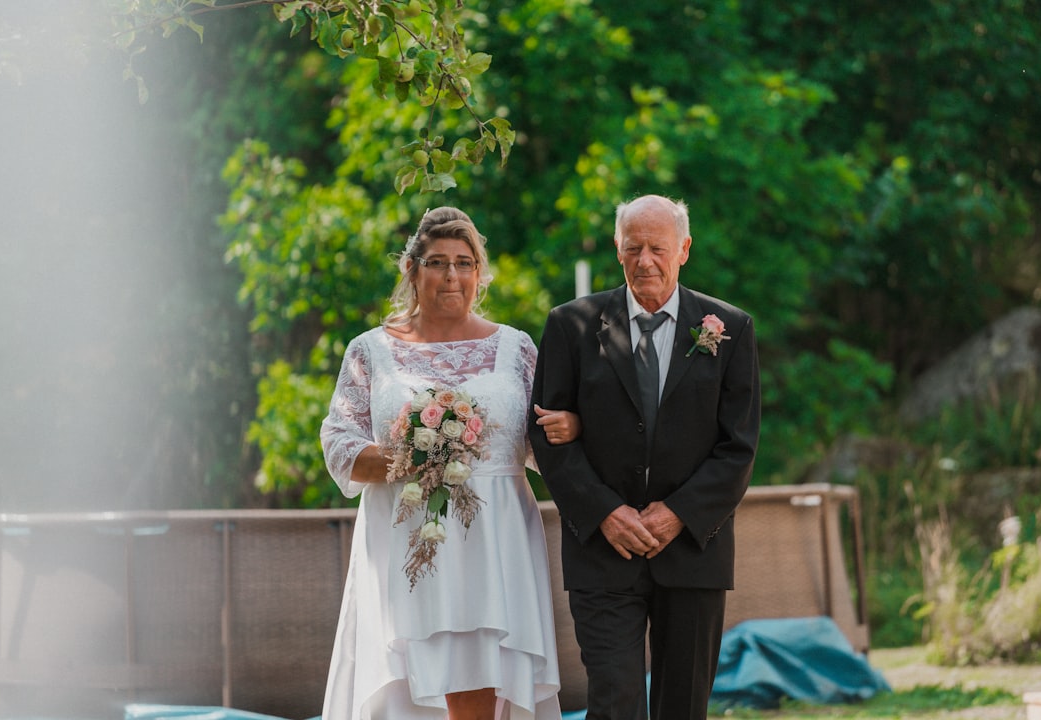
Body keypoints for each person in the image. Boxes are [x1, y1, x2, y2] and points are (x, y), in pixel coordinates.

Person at [320, 207, 579, 720]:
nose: (452, 275)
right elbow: (339, 443)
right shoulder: (370, 350)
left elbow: (543, 444)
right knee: (412, 680)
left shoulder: (516, 348)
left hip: (497, 536)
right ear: (413, 271)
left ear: (479, 273)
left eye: (464, 262)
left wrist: (571, 426)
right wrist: (411, 456)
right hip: (406, 531)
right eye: (437, 263)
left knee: (487, 672)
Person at [528, 195, 761, 720]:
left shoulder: (731, 329)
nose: (645, 260)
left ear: (684, 250)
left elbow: (738, 447)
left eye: (658, 248)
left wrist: (678, 513)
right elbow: (546, 433)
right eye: (633, 248)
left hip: (694, 552)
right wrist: (604, 513)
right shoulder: (570, 326)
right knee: (615, 701)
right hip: (602, 554)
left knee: (683, 706)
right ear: (617, 249)